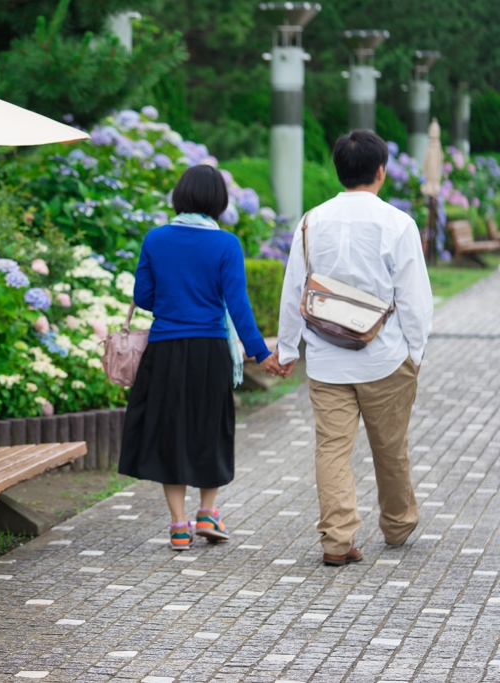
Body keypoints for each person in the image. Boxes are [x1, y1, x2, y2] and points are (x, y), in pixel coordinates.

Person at [274, 130, 433, 566]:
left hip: (326, 361)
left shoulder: (311, 220)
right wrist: (415, 353)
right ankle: (398, 525)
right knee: (390, 447)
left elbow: (295, 292)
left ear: (339, 171)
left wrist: (287, 351)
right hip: (385, 358)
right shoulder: (398, 224)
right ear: (381, 171)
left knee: (331, 449)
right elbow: (415, 299)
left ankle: (337, 541)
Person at [119, 165, 279, 551]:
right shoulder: (226, 245)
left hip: (166, 349)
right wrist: (262, 354)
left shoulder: (156, 239)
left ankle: (178, 525)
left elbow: (143, 297)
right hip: (210, 350)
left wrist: (176, 302)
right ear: (219, 202)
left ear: (179, 196)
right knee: (211, 428)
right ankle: (207, 512)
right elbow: (238, 306)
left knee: (170, 432)